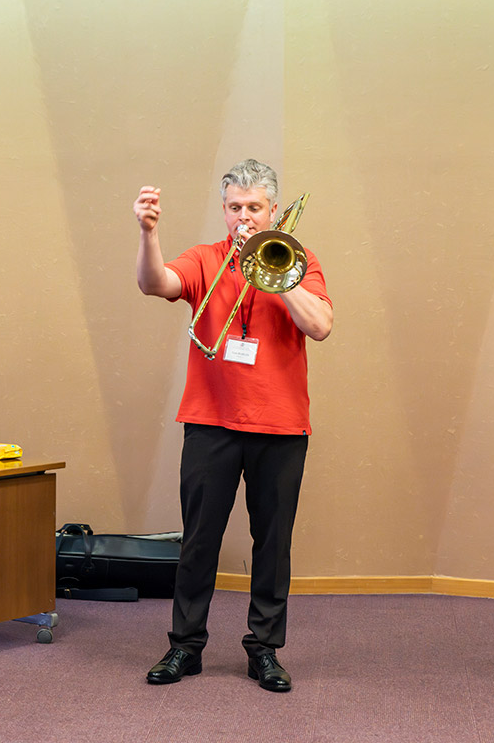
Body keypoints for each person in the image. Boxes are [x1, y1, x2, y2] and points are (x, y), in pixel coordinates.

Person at [133, 158, 333, 692]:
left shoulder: (298, 258)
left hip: (281, 426)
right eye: (234, 208)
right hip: (210, 422)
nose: (243, 218)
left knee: (273, 542)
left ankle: (264, 650)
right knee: (199, 540)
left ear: (272, 211)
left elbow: (320, 326)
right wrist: (148, 235)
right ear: (224, 210)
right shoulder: (205, 259)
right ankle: (185, 647)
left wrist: (277, 274)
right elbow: (154, 284)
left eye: (254, 208)